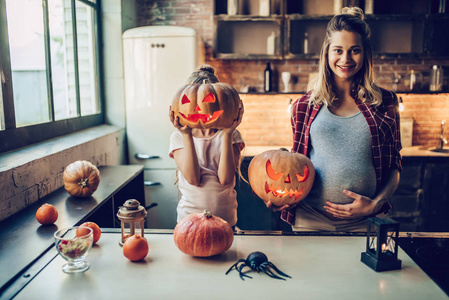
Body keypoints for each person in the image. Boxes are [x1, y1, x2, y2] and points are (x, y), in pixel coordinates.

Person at [269, 7, 402, 232]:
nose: (345, 59)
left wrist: (374, 205)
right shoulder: (303, 106)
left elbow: (394, 165)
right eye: (338, 50)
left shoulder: (385, 102)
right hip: (310, 217)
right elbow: (297, 163)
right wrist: (281, 195)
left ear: (365, 54)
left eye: (354, 50)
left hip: (364, 222)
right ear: (327, 53)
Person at [168, 65, 245, 228]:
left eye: (208, 100)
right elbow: (193, 179)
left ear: (220, 103)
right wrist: (187, 135)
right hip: (189, 222)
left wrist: (228, 133)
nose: (198, 108)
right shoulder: (178, 137)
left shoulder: (231, 135)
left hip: (225, 221)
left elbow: (225, 179)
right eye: (188, 101)